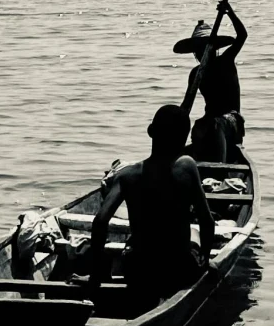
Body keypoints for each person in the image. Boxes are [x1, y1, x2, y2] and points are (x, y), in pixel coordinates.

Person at [88, 103, 216, 305]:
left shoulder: (126, 176)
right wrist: (205, 261)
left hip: (138, 271)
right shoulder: (187, 167)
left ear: (151, 132)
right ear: (184, 139)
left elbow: (100, 222)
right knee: (195, 234)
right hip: (178, 270)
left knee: (131, 249)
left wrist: (95, 276)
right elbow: (207, 222)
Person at [175, 0, 248, 161]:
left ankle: (220, 166)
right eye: (198, 50)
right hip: (208, 122)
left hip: (231, 121)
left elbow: (242, 36)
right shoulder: (196, 73)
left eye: (205, 48)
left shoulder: (225, 61)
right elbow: (186, 106)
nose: (202, 53)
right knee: (199, 125)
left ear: (214, 48)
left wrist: (229, 12)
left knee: (213, 125)